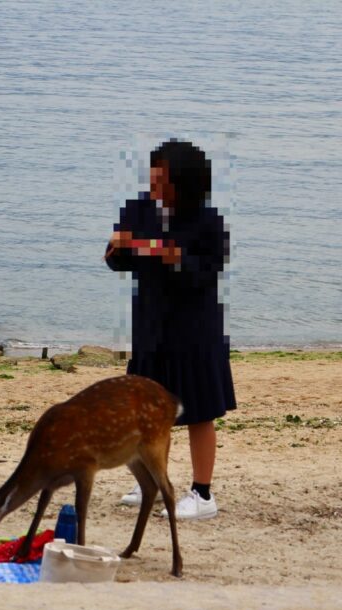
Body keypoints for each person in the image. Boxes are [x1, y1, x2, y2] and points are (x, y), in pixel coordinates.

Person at [105, 139, 236, 520]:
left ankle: (203, 494)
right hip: (151, 324)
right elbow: (117, 258)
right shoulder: (140, 209)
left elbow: (203, 271)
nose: (155, 187)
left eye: (163, 181)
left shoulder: (208, 222)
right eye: (153, 178)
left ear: (187, 184)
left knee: (198, 411)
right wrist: (118, 250)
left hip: (195, 329)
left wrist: (155, 248)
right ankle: (150, 480)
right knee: (148, 411)